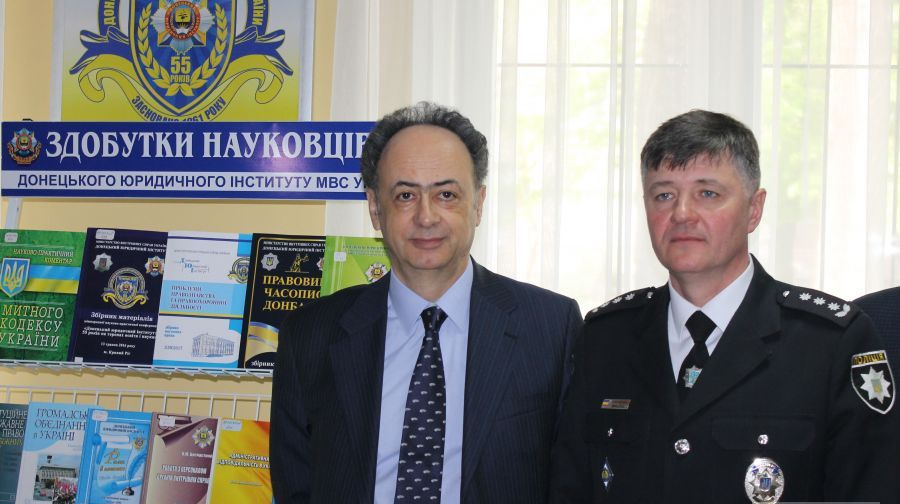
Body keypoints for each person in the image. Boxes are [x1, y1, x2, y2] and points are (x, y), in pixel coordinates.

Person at [550, 110, 898, 503]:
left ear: (754, 209)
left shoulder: (831, 342)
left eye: (708, 193)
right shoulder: (605, 338)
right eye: (664, 195)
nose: (682, 214)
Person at [271, 102, 582, 504]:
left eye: (446, 195)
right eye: (405, 195)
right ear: (375, 208)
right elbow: (295, 486)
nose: (426, 216)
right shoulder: (310, 334)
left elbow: (574, 481)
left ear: (478, 204)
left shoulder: (552, 327)